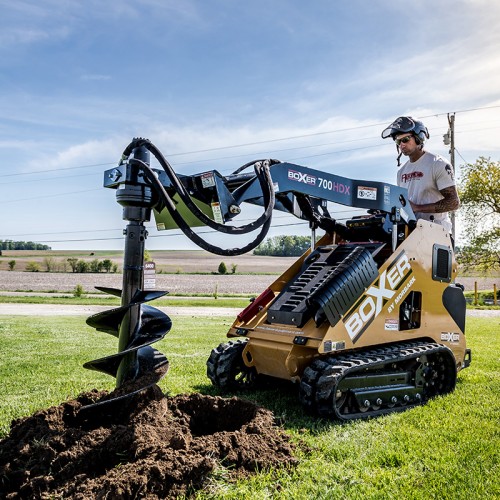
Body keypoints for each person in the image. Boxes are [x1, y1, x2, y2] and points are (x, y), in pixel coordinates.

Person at [381, 116, 460, 233]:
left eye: (406, 139)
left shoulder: (437, 163)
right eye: (398, 141)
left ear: (419, 137)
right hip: (412, 232)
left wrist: (417, 208)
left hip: (437, 232)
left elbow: (453, 202)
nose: (401, 144)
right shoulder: (401, 172)